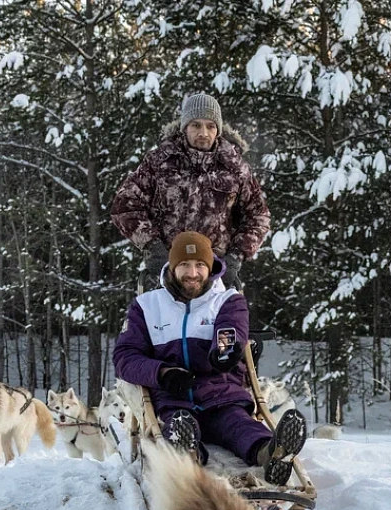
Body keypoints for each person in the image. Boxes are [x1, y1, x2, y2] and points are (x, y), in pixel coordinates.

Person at [112, 231, 306, 486]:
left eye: (199, 265)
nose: (192, 273)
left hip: (221, 395)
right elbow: (125, 357)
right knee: (179, 426)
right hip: (173, 399)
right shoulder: (146, 306)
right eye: (184, 265)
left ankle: (271, 453)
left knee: (240, 426)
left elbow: (231, 330)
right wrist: (161, 372)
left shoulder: (228, 300)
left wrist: (224, 351)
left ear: (210, 267)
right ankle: (187, 452)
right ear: (172, 266)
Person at [111, 92, 271, 291]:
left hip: (215, 277)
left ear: (218, 130)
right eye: (196, 125)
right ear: (184, 127)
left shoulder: (236, 168)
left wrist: (235, 258)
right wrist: (153, 248)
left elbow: (258, 216)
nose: (203, 132)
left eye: (210, 126)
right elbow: (125, 205)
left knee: (225, 323)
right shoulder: (159, 161)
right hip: (167, 274)